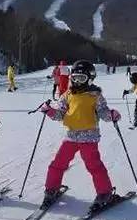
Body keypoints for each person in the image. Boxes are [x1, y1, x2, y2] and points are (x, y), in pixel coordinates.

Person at [39, 60, 122, 210]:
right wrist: (49, 111)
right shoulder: (68, 94)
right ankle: (51, 189)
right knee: (57, 164)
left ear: (90, 79)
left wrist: (111, 114)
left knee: (94, 166)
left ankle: (105, 193)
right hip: (71, 137)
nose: (77, 82)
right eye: (75, 78)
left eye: (81, 79)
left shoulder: (95, 95)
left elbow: (103, 112)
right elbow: (60, 114)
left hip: (89, 138)